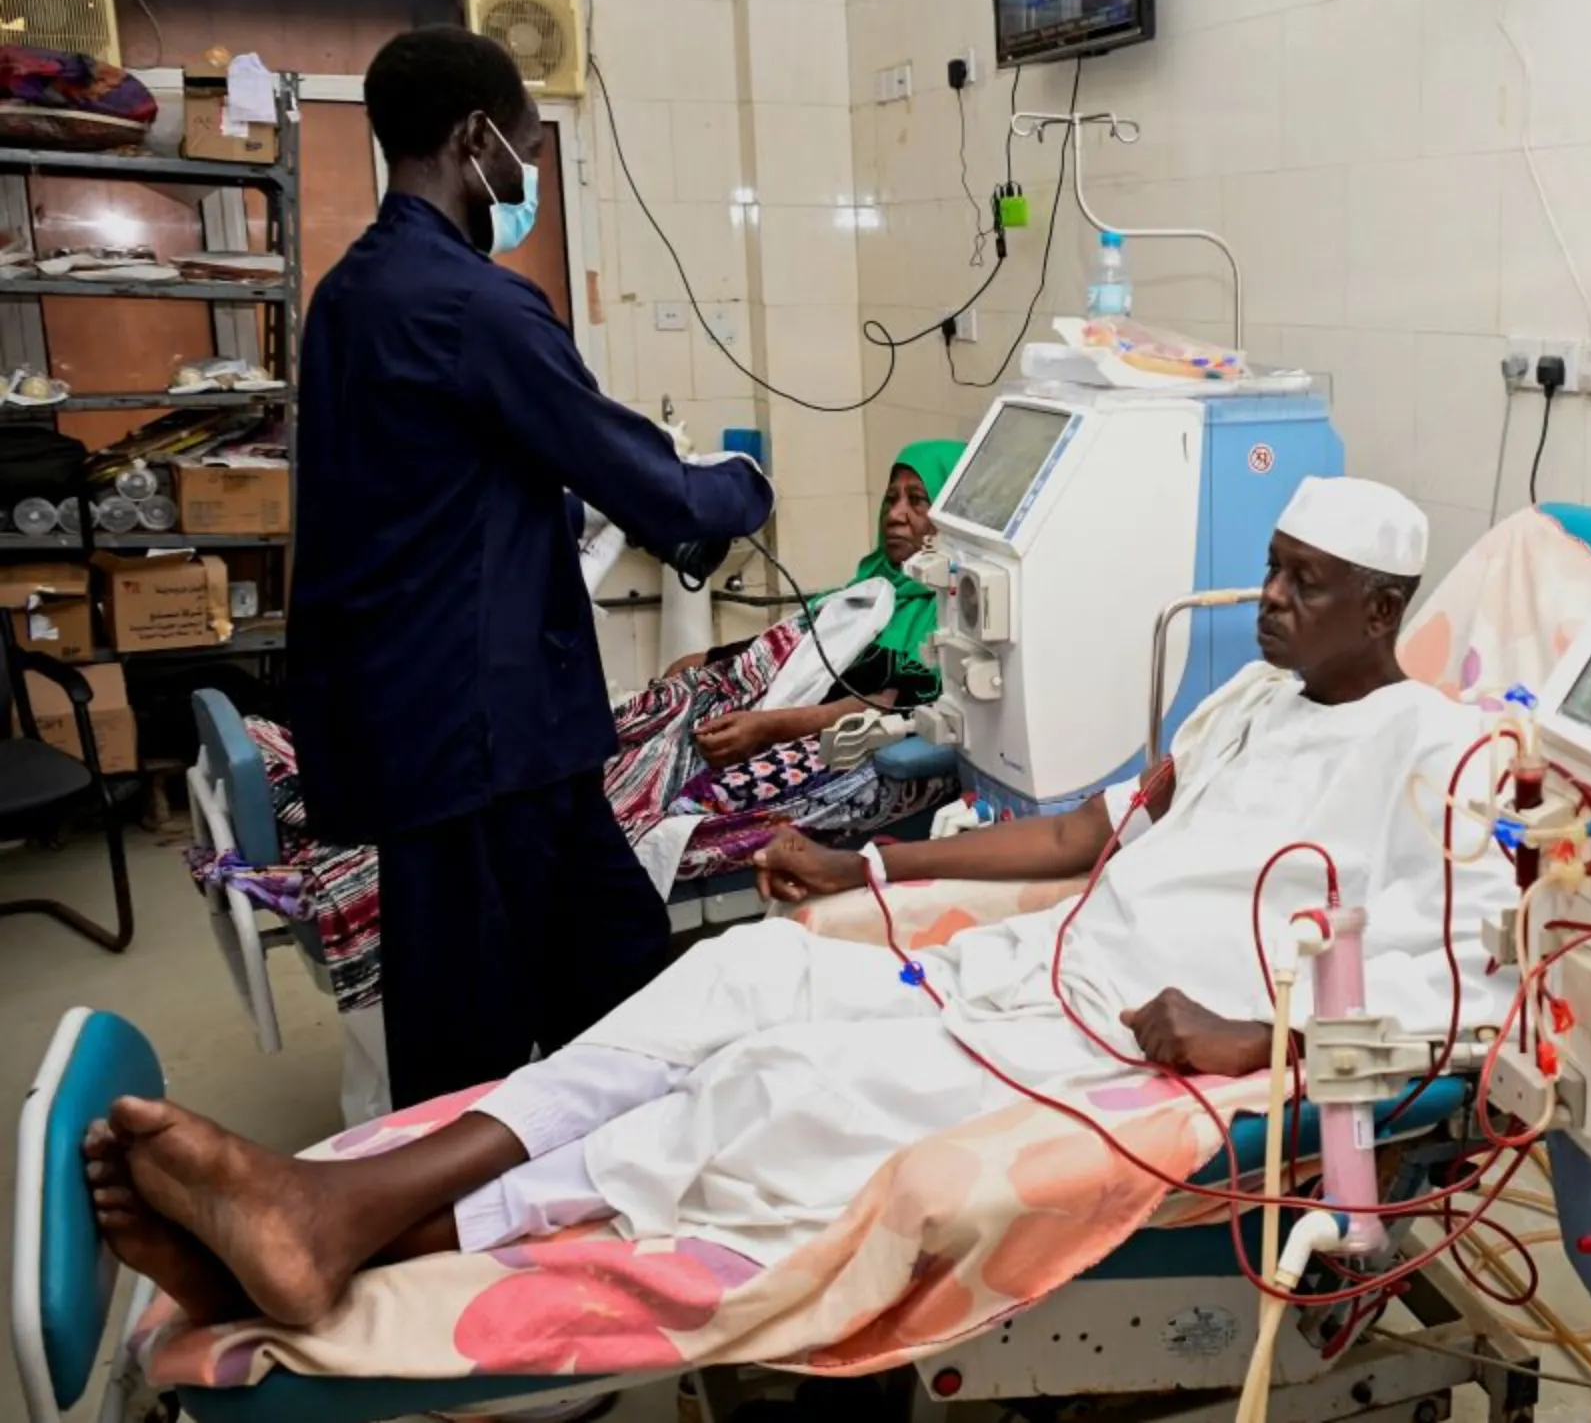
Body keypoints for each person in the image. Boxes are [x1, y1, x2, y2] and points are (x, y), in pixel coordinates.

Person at [90, 479, 1518, 1331]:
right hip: (1028, 972)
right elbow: (1090, 826)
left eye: (1303, 583)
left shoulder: (1442, 756)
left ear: (1383, 607)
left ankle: (342, 1231)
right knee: (724, 984)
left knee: (785, 1091)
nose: (1265, 597)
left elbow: (1471, 1015)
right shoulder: (1252, 700)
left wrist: (1244, 1043)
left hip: (1121, 1047)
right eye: (1271, 565)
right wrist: (868, 872)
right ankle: (333, 1201)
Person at [290, 26, 775, 1110]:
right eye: (524, 149)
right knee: (476, 1035)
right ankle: (451, 1246)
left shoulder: (351, 295)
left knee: (608, 964)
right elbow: (648, 482)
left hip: (435, 726)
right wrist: (744, 484)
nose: (528, 180)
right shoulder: (478, 305)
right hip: (480, 736)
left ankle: (603, 1175)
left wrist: (536, 512)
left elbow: (411, 484)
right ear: (474, 140)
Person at [677, 440, 966, 769]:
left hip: (841, 746)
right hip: (773, 714)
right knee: (673, 689)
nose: (895, 515)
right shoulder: (870, 588)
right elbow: (791, 647)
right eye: (890, 500)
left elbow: (883, 705)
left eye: (916, 500)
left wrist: (767, 727)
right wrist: (708, 661)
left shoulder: (945, 612)